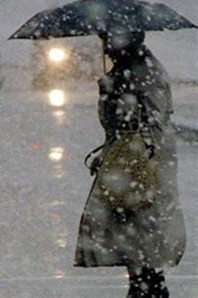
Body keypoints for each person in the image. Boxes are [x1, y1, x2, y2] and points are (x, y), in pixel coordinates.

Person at [74, 32, 186, 298]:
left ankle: (147, 287)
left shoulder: (138, 73)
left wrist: (112, 91)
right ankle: (144, 284)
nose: (105, 48)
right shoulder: (138, 69)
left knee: (137, 225)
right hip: (139, 160)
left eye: (108, 41)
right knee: (134, 228)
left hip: (139, 164)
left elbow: (138, 121)